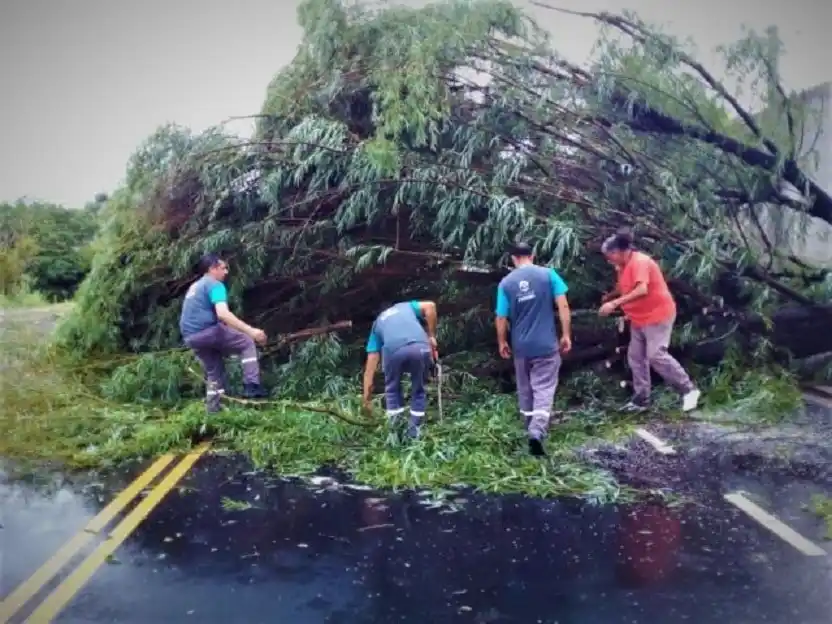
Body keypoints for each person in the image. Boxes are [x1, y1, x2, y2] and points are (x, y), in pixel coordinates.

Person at [598, 229, 701, 413]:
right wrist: (611, 296)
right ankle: (641, 399)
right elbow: (625, 287)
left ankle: (689, 390)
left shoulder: (640, 262)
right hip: (639, 318)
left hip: (657, 315)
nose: (608, 260)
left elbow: (641, 290)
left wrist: (614, 303)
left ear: (618, 252)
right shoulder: (623, 266)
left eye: (609, 256)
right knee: (636, 357)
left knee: (656, 355)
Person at [495, 241, 572, 457]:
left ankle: (528, 427)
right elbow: (563, 305)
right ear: (533, 255)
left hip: (521, 346)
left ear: (513, 259)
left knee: (525, 388)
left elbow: (501, 317)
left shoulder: (505, 283)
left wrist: (502, 342)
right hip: (546, 344)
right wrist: (566, 334)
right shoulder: (549, 275)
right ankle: (536, 432)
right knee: (544, 387)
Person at [179, 253, 269, 413]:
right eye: (223, 268)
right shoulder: (215, 285)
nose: (226, 272)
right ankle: (252, 386)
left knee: (214, 371)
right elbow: (222, 313)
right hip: (207, 330)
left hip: (191, 337)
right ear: (212, 269)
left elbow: (215, 318)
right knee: (246, 342)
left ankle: (213, 411)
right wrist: (252, 331)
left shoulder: (196, 286)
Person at [362, 300, 439, 439]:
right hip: (420, 347)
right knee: (419, 389)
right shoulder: (406, 306)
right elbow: (430, 306)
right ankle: (414, 432)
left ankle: (396, 432)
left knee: (392, 389)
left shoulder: (377, 324)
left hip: (394, 351)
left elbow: (370, 369)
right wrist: (432, 336)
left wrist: (366, 401)